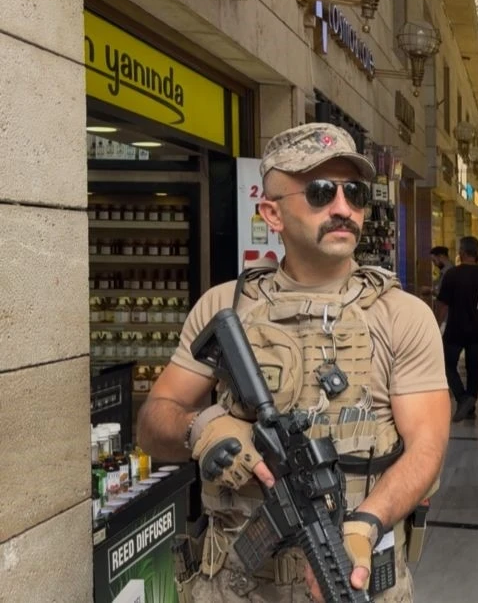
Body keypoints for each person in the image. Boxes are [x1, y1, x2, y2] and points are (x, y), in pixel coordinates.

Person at [136, 123, 449, 602]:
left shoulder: (401, 315)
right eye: (321, 191)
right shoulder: (226, 306)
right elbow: (152, 423)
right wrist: (201, 428)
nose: (342, 208)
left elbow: (427, 449)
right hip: (235, 588)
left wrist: (364, 526)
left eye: (355, 193)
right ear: (271, 213)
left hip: (356, 579)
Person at [437, 236, 478, 422]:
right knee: (473, 367)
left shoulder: (452, 274)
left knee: (447, 365)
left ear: (462, 252)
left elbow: (443, 304)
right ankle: (470, 404)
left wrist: (436, 325)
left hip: (455, 328)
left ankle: (463, 398)